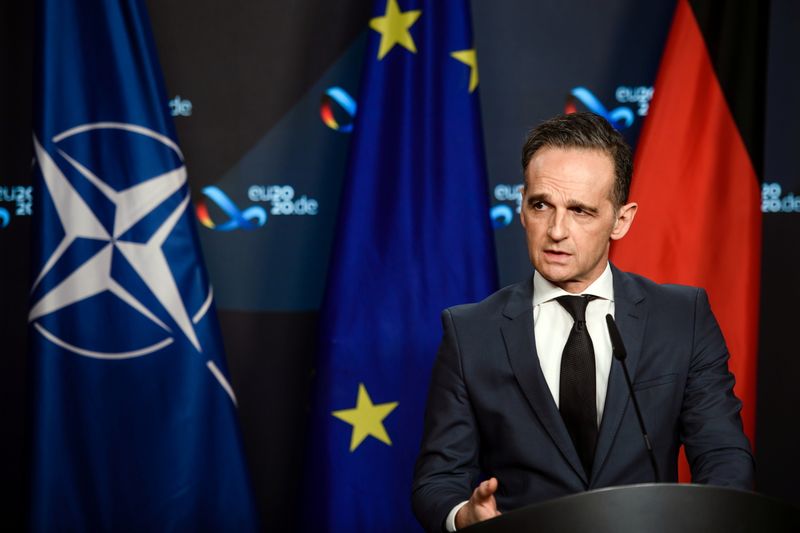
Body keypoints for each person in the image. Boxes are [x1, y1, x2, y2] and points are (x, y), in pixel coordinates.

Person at [411, 112, 754, 532]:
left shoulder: (682, 317)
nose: (556, 230)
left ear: (621, 220)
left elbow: (723, 456)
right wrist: (464, 515)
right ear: (521, 207)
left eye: (580, 211)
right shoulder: (470, 332)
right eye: (541, 205)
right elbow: (436, 481)